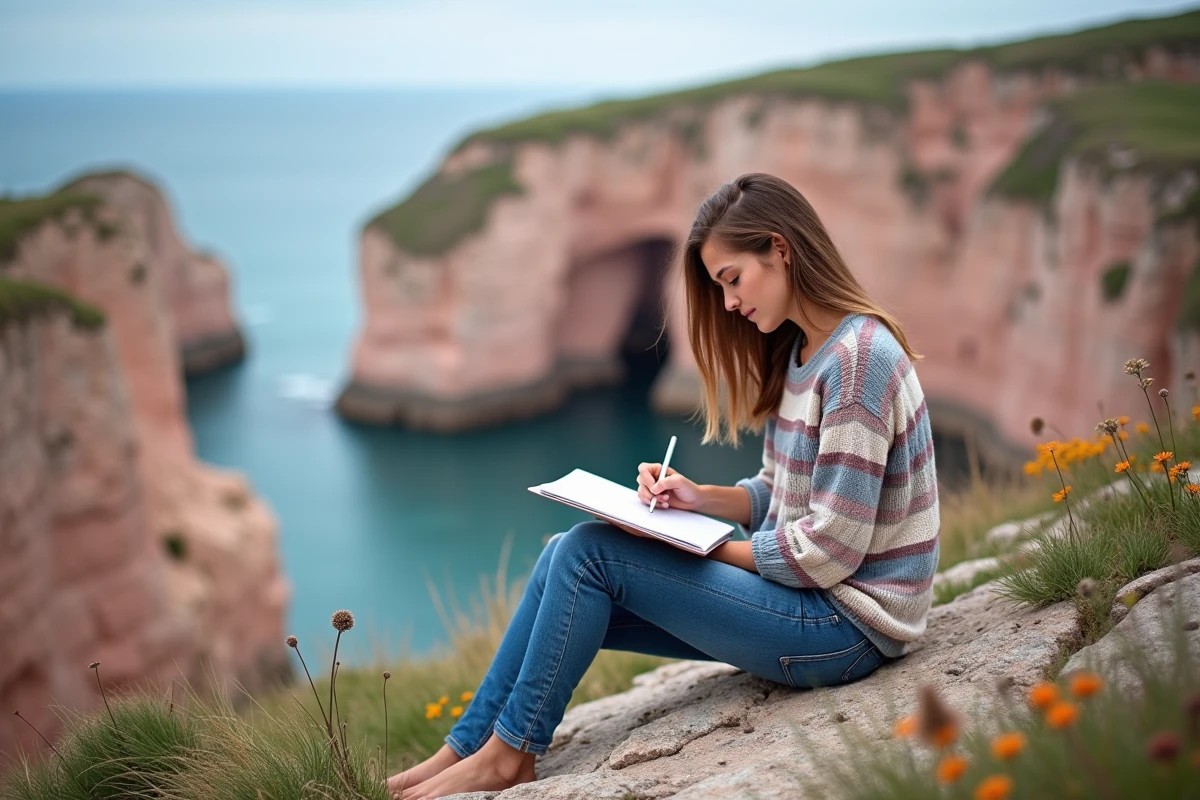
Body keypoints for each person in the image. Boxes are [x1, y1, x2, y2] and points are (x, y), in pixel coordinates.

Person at [389, 173, 940, 799]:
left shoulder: (859, 362)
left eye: (732, 279)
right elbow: (775, 492)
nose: (729, 303)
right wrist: (696, 499)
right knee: (561, 560)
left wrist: (692, 544)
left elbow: (827, 551)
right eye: (720, 287)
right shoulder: (804, 353)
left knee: (590, 554)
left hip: (845, 631)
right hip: (815, 611)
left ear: (780, 249)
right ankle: (463, 750)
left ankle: (509, 757)